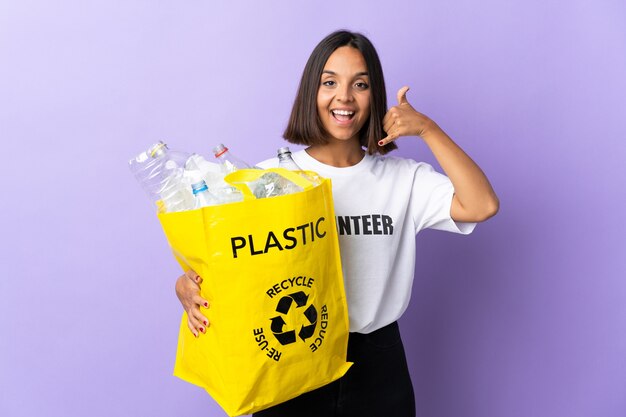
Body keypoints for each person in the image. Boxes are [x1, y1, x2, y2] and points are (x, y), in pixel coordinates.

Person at [175, 30, 499, 416]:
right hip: (291, 352)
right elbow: (231, 269)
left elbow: (481, 204)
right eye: (330, 82)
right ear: (312, 92)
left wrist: (427, 129)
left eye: (359, 84)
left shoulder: (402, 179)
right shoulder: (270, 179)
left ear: (373, 96)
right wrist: (187, 285)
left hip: (377, 364)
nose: (344, 96)